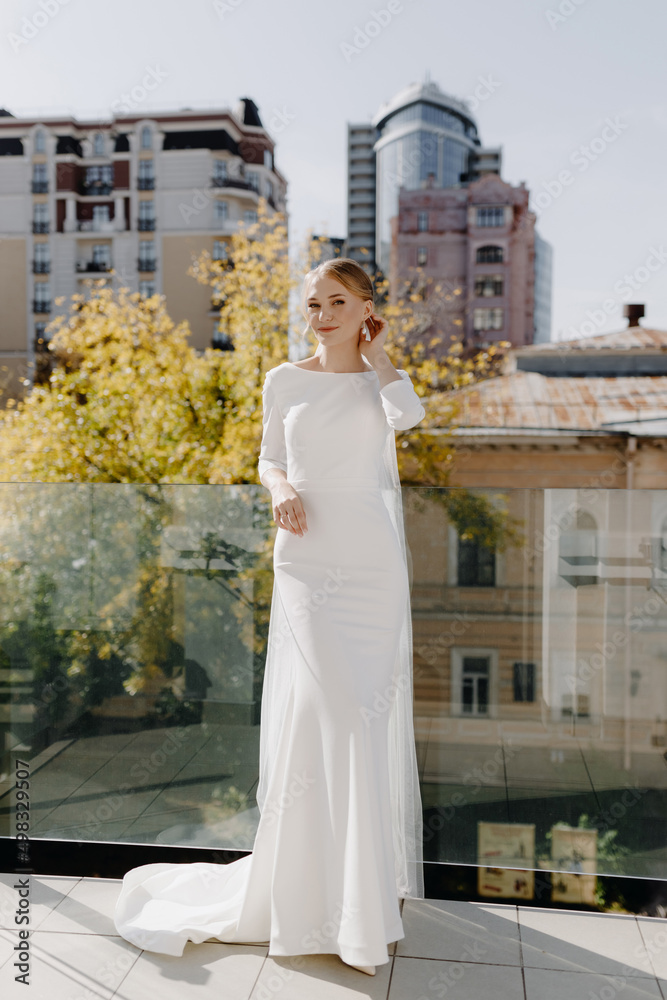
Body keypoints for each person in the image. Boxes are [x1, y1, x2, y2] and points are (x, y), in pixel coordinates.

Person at [113, 257, 425, 977]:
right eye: (312, 303)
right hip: (306, 555)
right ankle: (310, 902)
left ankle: (360, 907)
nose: (321, 315)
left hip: (372, 568)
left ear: (365, 308)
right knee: (332, 713)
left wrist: (377, 358)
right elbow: (267, 457)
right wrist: (280, 486)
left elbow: (407, 418)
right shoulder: (282, 379)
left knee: (362, 724)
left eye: (337, 302)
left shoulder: (380, 381)